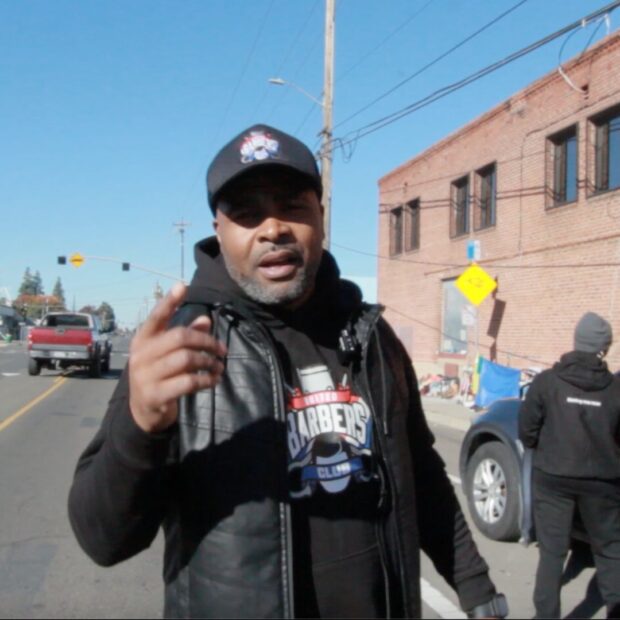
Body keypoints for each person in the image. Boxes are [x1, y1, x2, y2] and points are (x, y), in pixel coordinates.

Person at [68, 124, 507, 619]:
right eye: (248, 213)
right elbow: (103, 540)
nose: (272, 228)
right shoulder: (181, 346)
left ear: (320, 218)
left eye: (292, 206)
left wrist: (474, 586)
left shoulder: (370, 335)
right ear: (219, 231)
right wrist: (140, 423)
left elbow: (421, 472)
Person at [519, 311, 620, 619]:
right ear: (604, 349)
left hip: (553, 477)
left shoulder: (547, 382)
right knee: (610, 551)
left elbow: (527, 432)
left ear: (576, 342)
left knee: (552, 553)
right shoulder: (615, 389)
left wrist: (550, 452)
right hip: (602, 483)